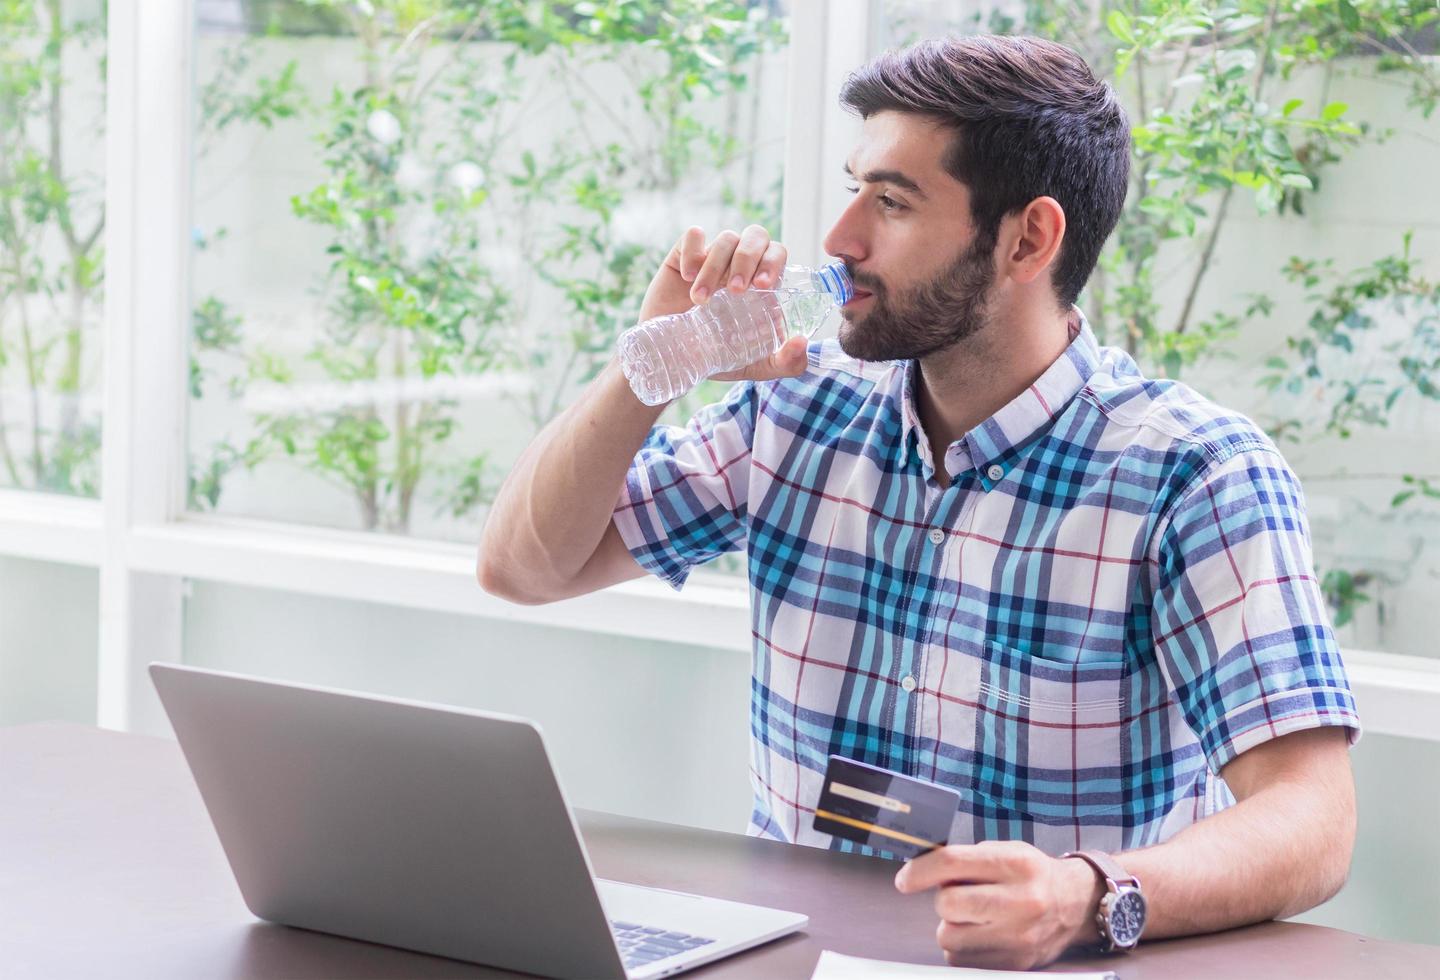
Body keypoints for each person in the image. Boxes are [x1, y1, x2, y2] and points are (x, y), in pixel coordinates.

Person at [477, 34, 1361, 970]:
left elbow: (1311, 821)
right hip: (790, 960)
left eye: (892, 202)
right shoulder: (796, 406)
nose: (840, 239)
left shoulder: (1194, 476)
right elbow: (524, 569)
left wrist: (1088, 893)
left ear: (1028, 239)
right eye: (855, 186)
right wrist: (650, 366)